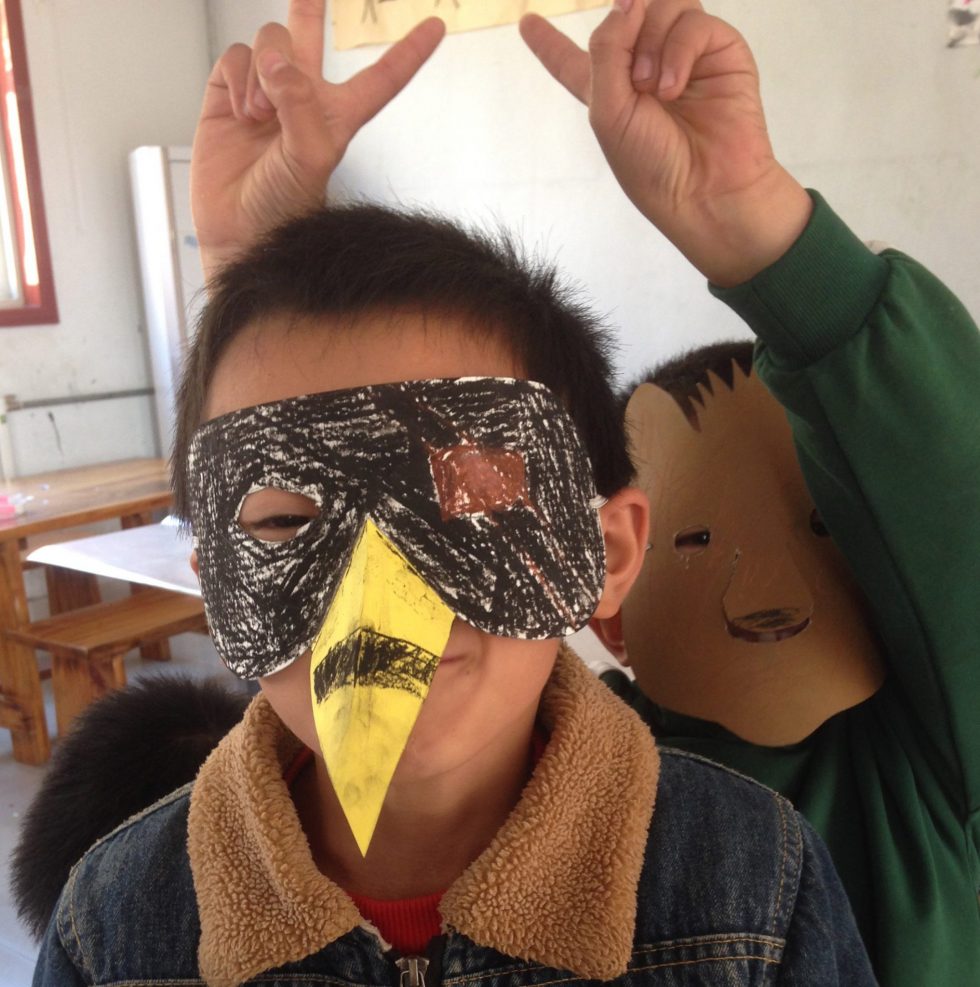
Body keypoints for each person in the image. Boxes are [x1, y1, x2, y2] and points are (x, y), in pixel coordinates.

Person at [32, 3, 875, 986]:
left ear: (598, 555)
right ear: (218, 584)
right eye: (284, 524)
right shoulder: (116, 923)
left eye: (466, 502)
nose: (370, 589)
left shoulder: (749, 890)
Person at [530, 2, 980, 983]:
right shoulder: (569, 776)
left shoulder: (925, 766)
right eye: (691, 541)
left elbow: (950, 490)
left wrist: (758, 230)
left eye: (821, 528)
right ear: (608, 593)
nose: (764, 586)